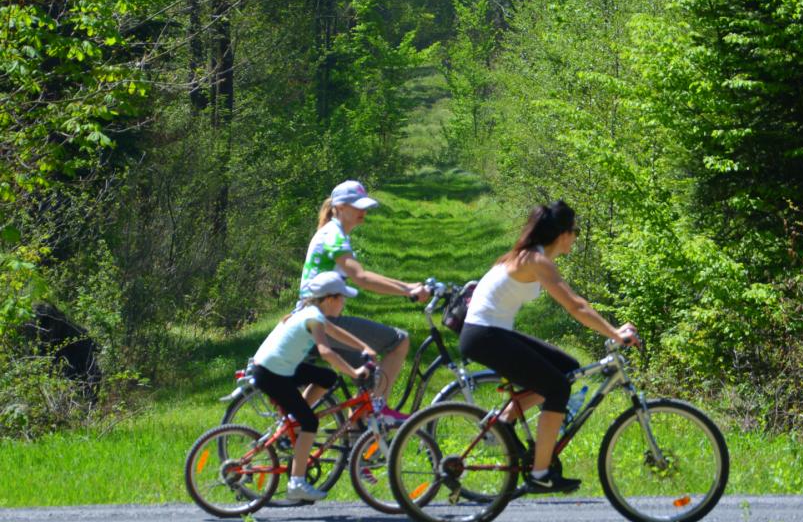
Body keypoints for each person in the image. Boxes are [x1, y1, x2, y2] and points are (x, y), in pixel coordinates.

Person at [459, 200, 637, 494]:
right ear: (563, 234)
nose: (575, 237)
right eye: (575, 231)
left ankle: (504, 421)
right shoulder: (535, 260)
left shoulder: (526, 255)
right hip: (485, 335)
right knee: (558, 388)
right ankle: (540, 473)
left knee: (567, 369)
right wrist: (615, 333)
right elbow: (576, 306)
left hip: (489, 331)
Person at [299, 180, 428, 421]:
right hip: (321, 321)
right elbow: (362, 277)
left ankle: (354, 430)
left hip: (311, 318)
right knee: (399, 341)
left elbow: (362, 275)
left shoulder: (332, 232)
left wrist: (408, 287)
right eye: (357, 206)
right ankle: (377, 411)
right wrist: (407, 290)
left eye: (365, 206)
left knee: (366, 372)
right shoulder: (333, 236)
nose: (363, 211)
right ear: (339, 207)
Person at [252, 271, 373, 501]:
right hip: (272, 374)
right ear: (329, 299)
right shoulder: (314, 318)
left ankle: (293, 420)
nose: (344, 303)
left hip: (275, 368)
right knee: (310, 422)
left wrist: (364, 347)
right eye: (342, 298)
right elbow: (326, 352)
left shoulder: (311, 312)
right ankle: (297, 482)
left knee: (327, 378)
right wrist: (354, 372)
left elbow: (336, 333)